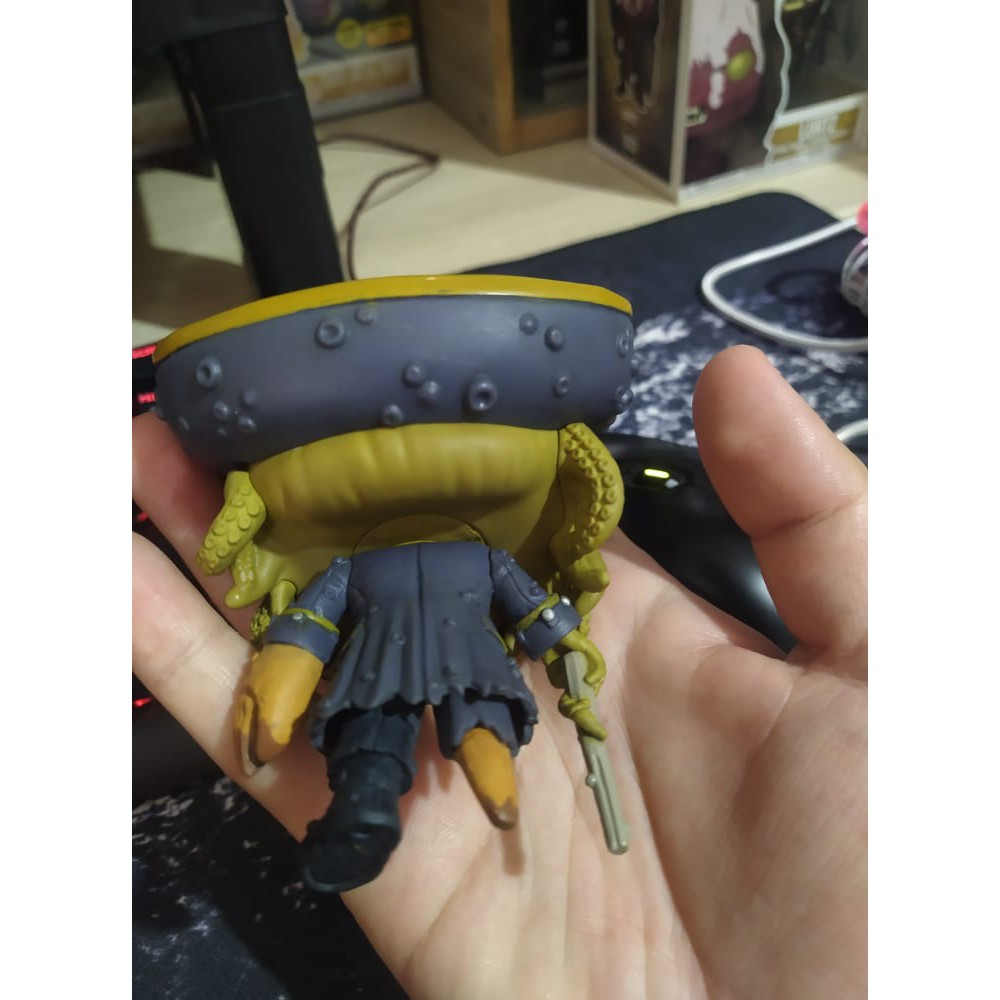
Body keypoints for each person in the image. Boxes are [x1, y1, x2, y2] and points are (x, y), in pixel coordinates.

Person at [132, 345, 867, 999]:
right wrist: (284, 670)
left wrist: (565, 643)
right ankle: (364, 811)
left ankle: (475, 792)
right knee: (375, 727)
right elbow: (314, 620)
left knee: (465, 719)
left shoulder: (480, 561)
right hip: (388, 655)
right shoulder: (369, 568)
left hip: (459, 657)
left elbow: (531, 606)